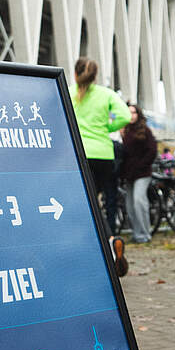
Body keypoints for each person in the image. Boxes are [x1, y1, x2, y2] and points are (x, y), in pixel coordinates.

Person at [71, 57, 131, 277]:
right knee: (95, 202)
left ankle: (107, 242)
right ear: (95, 76)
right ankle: (100, 245)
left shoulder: (69, 92)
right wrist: (107, 127)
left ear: (75, 74)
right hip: (104, 155)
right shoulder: (106, 94)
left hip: (79, 154)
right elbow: (125, 116)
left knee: (86, 205)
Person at [119, 104, 157, 245]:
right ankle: (136, 233)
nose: (131, 115)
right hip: (129, 174)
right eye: (128, 112)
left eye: (134, 112)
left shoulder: (145, 131)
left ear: (138, 114)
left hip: (142, 173)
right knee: (130, 205)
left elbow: (152, 151)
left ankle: (145, 234)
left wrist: (142, 165)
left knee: (139, 202)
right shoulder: (124, 131)